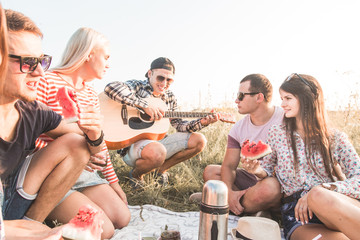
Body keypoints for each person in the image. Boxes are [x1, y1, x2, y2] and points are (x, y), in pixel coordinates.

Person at [0, 8, 105, 238]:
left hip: (12, 200)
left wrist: (94, 133)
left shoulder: (32, 111)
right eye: (28, 62)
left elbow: (91, 148)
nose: (39, 72)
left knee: (76, 143)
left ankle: (30, 222)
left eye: (41, 61)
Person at [36, 27, 130, 237]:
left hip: (86, 176)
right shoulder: (47, 81)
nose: (108, 63)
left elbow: (99, 141)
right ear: (89, 54)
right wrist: (74, 153)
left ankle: (76, 206)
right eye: (106, 57)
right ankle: (44, 215)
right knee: (105, 230)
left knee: (122, 217)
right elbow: (29, 132)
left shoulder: (89, 93)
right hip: (56, 175)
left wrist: (114, 183)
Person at [244, 73, 360, 239]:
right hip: (299, 215)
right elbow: (267, 171)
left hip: (332, 203)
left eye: (288, 98)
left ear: (307, 100)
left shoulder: (335, 138)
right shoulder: (277, 133)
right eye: (282, 98)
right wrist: (257, 170)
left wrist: (322, 189)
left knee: (318, 195)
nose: (282, 104)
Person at [104, 57, 219, 187]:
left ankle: (160, 170)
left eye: (169, 80)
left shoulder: (169, 97)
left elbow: (180, 125)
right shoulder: (137, 86)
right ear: (150, 74)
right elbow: (111, 87)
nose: (164, 83)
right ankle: (136, 175)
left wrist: (202, 122)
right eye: (160, 78)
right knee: (157, 150)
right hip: (131, 147)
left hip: (158, 144)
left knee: (199, 140)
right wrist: (144, 106)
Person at [191, 74, 284, 217]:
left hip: (277, 183)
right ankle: (251, 208)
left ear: (259, 97)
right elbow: (228, 166)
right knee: (211, 172)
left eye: (241, 96)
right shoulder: (238, 128)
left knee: (270, 188)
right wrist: (229, 191)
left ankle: (219, 202)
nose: (236, 100)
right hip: (251, 180)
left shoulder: (285, 119)